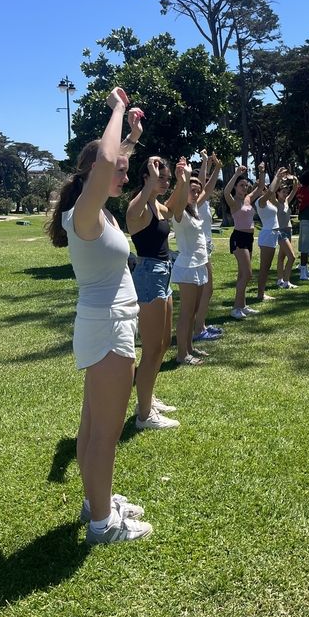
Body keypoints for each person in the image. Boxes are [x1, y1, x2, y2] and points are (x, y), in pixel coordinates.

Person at [47, 88, 152, 545]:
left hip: (105, 324)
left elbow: (112, 158)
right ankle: (101, 525)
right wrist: (114, 111)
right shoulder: (84, 214)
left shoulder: (96, 210)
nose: (123, 175)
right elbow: (107, 163)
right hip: (108, 328)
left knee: (92, 427)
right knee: (105, 434)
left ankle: (98, 503)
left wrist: (131, 133)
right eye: (118, 169)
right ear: (93, 172)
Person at [126, 156, 180, 431]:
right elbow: (129, 217)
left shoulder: (156, 206)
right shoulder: (140, 206)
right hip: (149, 275)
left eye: (167, 178)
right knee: (150, 349)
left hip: (163, 273)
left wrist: (182, 180)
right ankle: (144, 415)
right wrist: (149, 176)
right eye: (163, 177)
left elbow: (173, 209)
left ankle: (146, 399)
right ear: (147, 177)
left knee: (162, 344)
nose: (166, 181)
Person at [171, 156, 222, 363]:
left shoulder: (193, 210)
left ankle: (190, 348)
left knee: (193, 311)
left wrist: (217, 167)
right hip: (188, 267)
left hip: (200, 264)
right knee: (186, 312)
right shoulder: (179, 212)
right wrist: (183, 177)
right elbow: (182, 195)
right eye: (191, 190)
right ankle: (182, 355)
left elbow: (207, 190)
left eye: (196, 190)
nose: (196, 193)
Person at [223, 163, 265, 319]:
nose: (244, 188)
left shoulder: (248, 199)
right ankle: (235, 308)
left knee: (242, 274)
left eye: (246, 186)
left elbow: (260, 188)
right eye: (241, 185)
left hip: (249, 238)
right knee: (247, 274)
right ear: (235, 187)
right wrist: (235, 175)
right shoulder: (233, 202)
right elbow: (226, 191)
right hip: (238, 238)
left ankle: (242, 305)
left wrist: (261, 172)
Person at [192, 149, 224, 344]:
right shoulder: (196, 202)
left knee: (206, 290)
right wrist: (213, 166)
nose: (198, 187)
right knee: (206, 289)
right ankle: (198, 329)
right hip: (199, 249)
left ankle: (200, 325)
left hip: (205, 247)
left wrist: (206, 162)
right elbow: (207, 184)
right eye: (194, 185)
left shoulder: (199, 201)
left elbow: (203, 180)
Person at [256, 167, 288, 301]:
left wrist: (279, 179)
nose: (265, 190)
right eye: (262, 188)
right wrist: (277, 177)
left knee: (267, 267)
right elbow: (271, 191)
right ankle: (260, 294)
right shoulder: (261, 202)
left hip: (272, 235)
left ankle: (261, 293)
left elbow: (273, 192)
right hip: (268, 235)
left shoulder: (269, 202)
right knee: (265, 268)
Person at [276, 175, 299, 289]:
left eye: (286, 192)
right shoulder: (275, 203)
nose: (285, 194)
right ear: (278, 192)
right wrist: (278, 179)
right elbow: (269, 193)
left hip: (289, 231)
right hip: (280, 232)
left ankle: (279, 280)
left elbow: (295, 188)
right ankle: (286, 281)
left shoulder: (286, 202)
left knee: (282, 257)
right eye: (283, 192)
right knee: (292, 257)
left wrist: (293, 178)